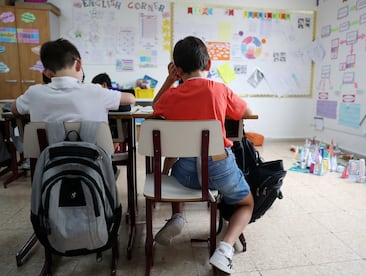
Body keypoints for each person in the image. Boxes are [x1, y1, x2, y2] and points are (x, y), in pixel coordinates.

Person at [152, 36, 254, 274]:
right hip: (221, 167)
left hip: (186, 173)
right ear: (208, 65)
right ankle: (225, 249)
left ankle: (177, 216)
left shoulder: (172, 96)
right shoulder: (220, 89)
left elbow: (155, 106)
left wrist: (170, 80)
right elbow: (247, 111)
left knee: (174, 169)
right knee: (246, 203)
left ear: (177, 69)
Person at [10, 38, 135, 138]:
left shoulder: (34, 93)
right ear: (79, 65)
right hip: (93, 164)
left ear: (47, 73)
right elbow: (130, 99)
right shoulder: (96, 91)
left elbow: (14, 108)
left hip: (50, 164)